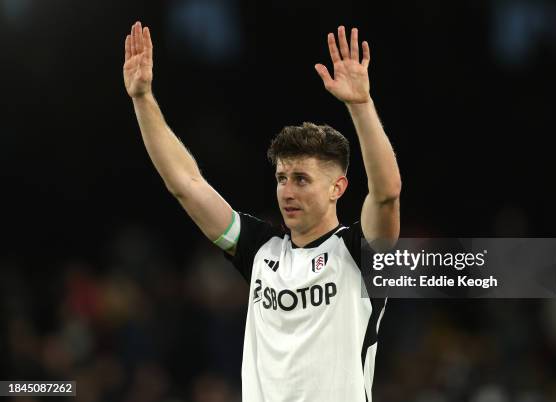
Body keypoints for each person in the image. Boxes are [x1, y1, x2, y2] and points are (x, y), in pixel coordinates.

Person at [124, 21, 401, 402]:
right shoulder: (261, 251)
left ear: (337, 188)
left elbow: (386, 195)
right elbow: (186, 185)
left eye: (301, 179)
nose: (287, 190)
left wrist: (361, 106)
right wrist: (142, 99)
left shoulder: (359, 252)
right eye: (281, 177)